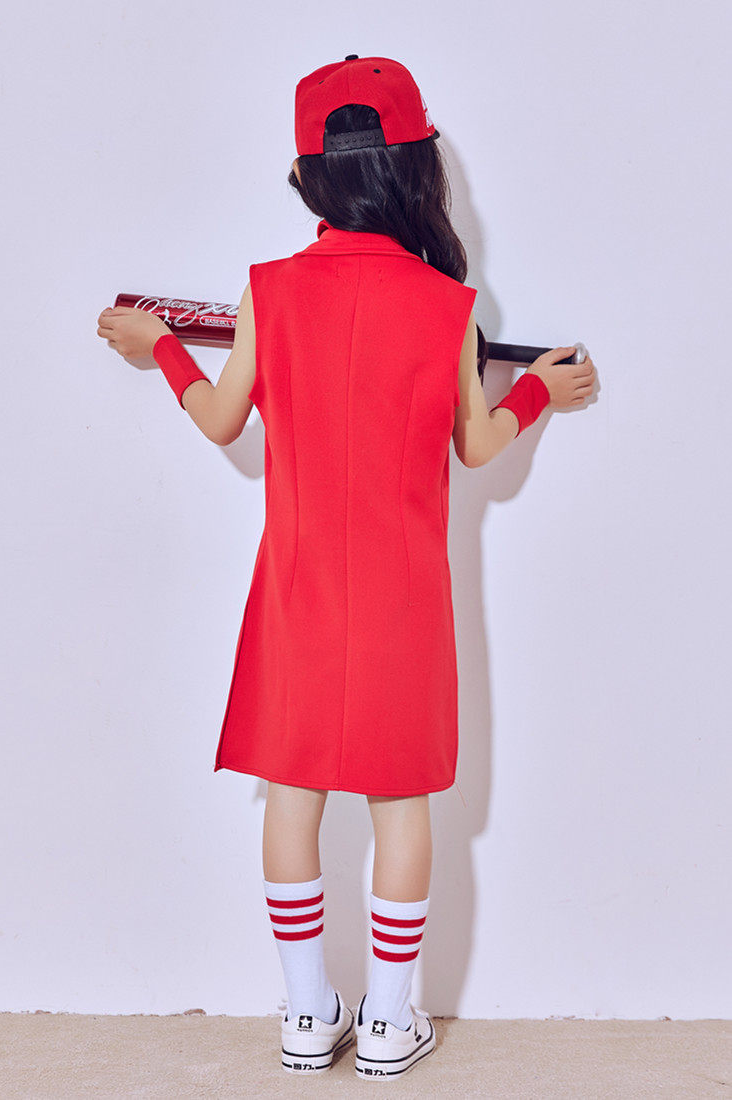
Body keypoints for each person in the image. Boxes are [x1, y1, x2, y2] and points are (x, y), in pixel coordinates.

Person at [96, 54, 595, 1081]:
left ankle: (303, 1013)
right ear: (416, 169)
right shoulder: (448, 305)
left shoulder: (268, 291)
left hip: (299, 590)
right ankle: (388, 1024)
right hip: (405, 601)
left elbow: (221, 420)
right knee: (401, 805)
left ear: (308, 175)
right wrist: (538, 391)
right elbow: (479, 445)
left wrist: (166, 349)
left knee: (292, 795)